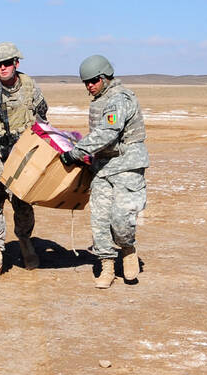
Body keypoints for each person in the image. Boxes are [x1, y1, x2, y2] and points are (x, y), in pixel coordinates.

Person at [60, 54, 148, 289]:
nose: (90, 86)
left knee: (121, 219)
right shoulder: (100, 100)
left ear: (106, 77)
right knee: (99, 219)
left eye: (94, 80)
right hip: (102, 167)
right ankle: (107, 264)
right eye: (86, 82)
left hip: (126, 166)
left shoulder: (120, 99)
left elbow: (108, 132)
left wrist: (76, 152)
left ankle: (128, 249)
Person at [0, 42, 48, 276]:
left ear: (16, 63)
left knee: (23, 203)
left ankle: (25, 241)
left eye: (7, 63)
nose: (3, 68)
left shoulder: (29, 86)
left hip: (23, 153)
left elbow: (41, 119)